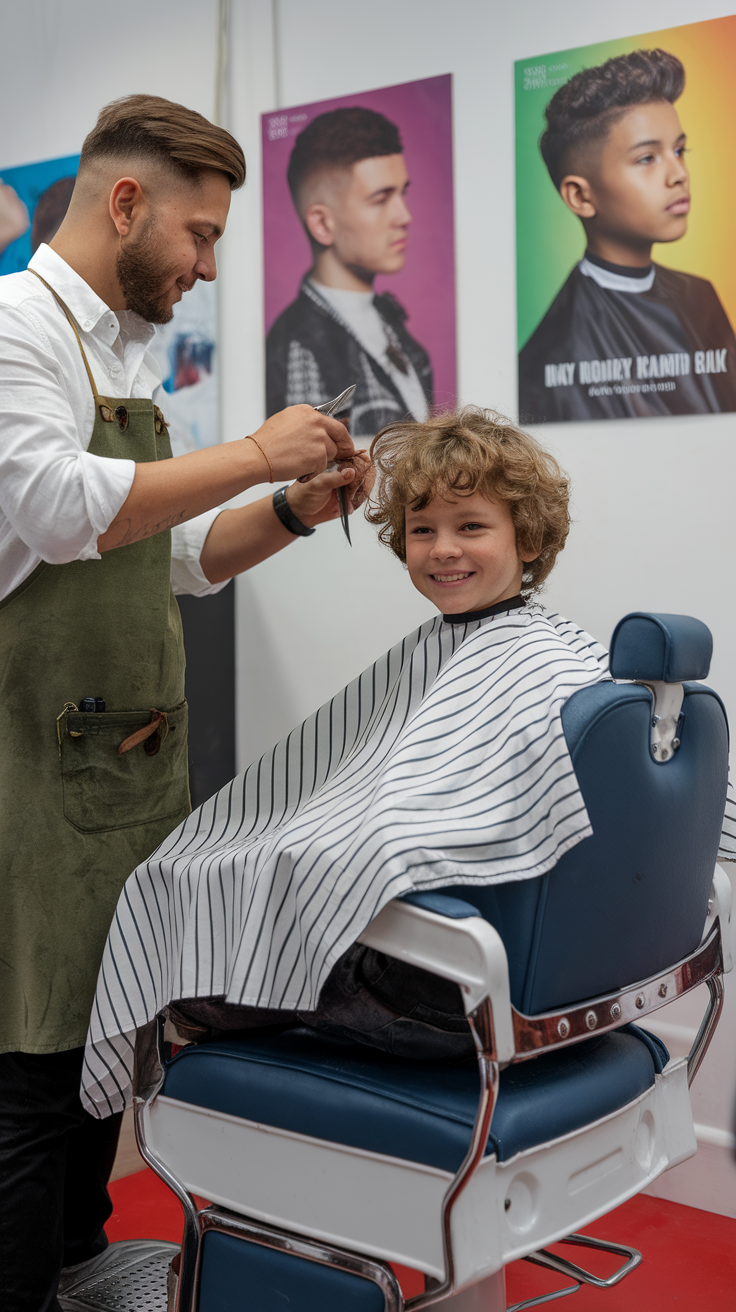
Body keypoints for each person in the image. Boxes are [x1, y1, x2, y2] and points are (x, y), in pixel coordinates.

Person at [0, 93, 373, 1312]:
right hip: (27, 762)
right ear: (124, 203)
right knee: (26, 1064)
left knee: (89, 1054)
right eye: (201, 236)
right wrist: (261, 452)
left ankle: (75, 1257)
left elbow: (171, 555)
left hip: (111, 762)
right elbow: (62, 509)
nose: (209, 268)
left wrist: (291, 510)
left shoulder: (117, 350)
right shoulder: (14, 327)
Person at [83, 406, 624, 1111]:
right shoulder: (547, 653)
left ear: (527, 537)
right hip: (532, 985)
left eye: (471, 527)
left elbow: (420, 834)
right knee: (210, 911)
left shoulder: (537, 667)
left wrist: (303, 853)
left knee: (179, 971)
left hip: (452, 999)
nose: (441, 550)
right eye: (422, 530)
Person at [519, 48, 736, 423]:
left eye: (680, 150)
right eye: (647, 158)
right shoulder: (554, 351)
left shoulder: (701, 296)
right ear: (581, 196)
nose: (679, 174)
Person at [266, 106, 433, 440]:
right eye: (381, 198)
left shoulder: (389, 324)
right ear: (323, 224)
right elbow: (313, 480)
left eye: (402, 193)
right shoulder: (302, 346)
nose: (404, 215)